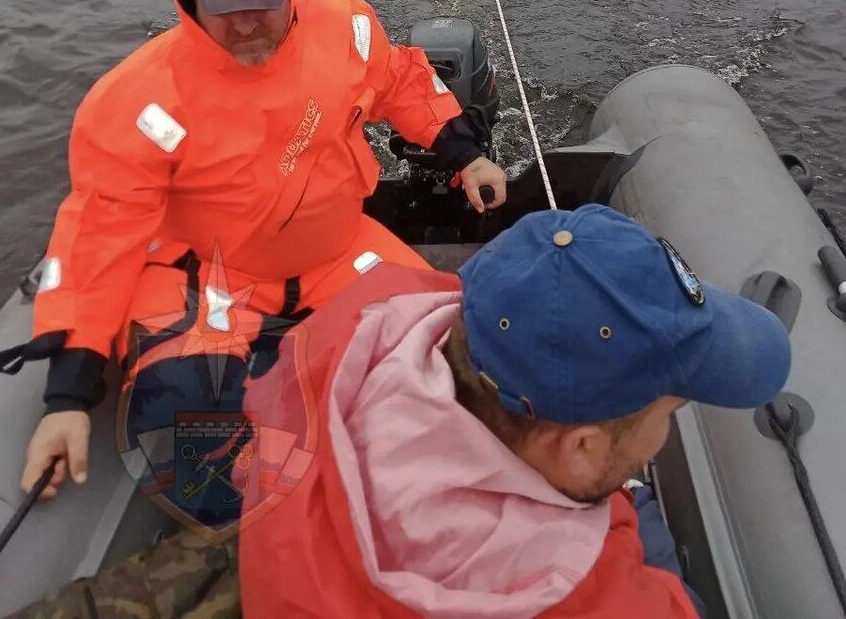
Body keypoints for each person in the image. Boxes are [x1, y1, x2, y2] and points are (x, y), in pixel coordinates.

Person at [0, 0, 506, 508]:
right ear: (192, 3)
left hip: (335, 253)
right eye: (227, 7)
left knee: (453, 351)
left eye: (261, 4)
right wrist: (67, 399)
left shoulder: (345, 25)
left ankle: (414, 483)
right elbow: (100, 235)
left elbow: (398, 80)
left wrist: (467, 157)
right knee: (178, 397)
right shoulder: (139, 98)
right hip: (214, 280)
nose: (246, 23)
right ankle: (260, 523)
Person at [236, 203, 791, 617]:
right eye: (668, 411)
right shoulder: (602, 601)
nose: (664, 430)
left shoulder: (331, 353)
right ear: (579, 447)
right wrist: (626, 508)